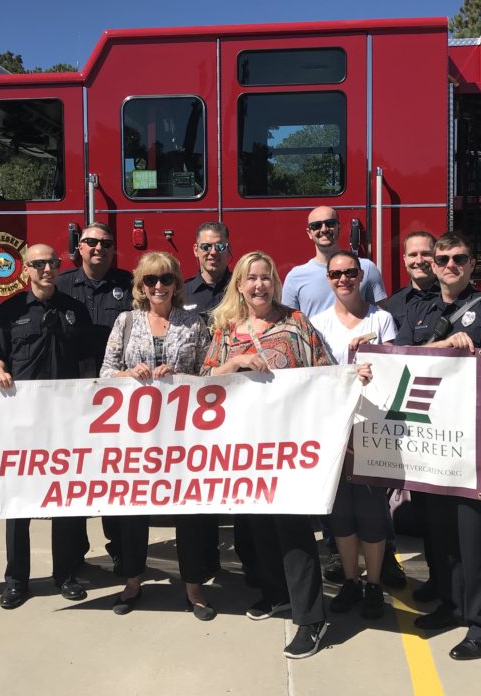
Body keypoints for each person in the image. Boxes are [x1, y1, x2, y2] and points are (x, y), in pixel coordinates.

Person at [202, 250, 368, 659]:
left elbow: (326, 370)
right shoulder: (225, 330)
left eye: (266, 278)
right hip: (244, 447)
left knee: (293, 532)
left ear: (274, 283)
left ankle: (312, 619)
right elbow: (205, 378)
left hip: (290, 446)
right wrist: (238, 360)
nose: (259, 285)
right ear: (239, 285)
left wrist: (353, 375)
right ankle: (277, 594)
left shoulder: (296, 323)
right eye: (251, 278)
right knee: (258, 527)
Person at [395, 231, 481, 661]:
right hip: (430, 445)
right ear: (431, 266)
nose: (449, 265)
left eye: (459, 258)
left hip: (475, 446)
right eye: (442, 259)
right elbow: (404, 364)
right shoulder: (422, 311)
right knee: (440, 536)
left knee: (476, 539)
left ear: (473, 264)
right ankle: (453, 606)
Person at [100, 251, 216, 620]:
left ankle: (194, 587)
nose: (159, 286)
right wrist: (127, 375)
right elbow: (105, 373)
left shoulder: (194, 323)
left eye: (166, 279)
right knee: (133, 509)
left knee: (189, 510)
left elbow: (208, 375)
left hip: (184, 435)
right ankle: (133, 580)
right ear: (140, 286)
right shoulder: (126, 322)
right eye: (150, 280)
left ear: (177, 284)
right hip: (136, 436)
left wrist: (180, 377)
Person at [0, 244, 90, 610]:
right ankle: (17, 580)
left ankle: (65, 575)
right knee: (19, 504)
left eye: (53, 263)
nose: (48, 269)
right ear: (25, 270)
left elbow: (86, 364)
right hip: (21, 420)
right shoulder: (10, 310)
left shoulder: (74, 310)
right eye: (39, 264)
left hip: (66, 420)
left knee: (63, 500)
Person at [310, 251, 396, 619]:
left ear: (361, 275)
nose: (343, 279)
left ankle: (373, 585)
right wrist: (344, 360)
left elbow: (395, 369)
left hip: (373, 427)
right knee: (341, 514)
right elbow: (313, 377)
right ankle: (349, 580)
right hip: (334, 432)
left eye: (350, 273)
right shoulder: (317, 322)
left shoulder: (383, 319)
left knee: (372, 513)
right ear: (327, 279)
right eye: (335, 274)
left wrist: (375, 354)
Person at [57, 222, 133, 570]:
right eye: (90, 242)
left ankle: (120, 549)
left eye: (105, 243)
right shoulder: (60, 285)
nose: (98, 248)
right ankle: (74, 556)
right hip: (74, 397)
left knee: (117, 477)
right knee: (75, 479)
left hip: (119, 399)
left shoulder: (130, 285)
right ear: (79, 247)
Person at [181, 220, 252, 583]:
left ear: (229, 250)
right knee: (201, 486)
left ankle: (250, 562)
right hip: (197, 404)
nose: (212, 253)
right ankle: (206, 563)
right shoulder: (183, 292)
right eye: (206, 247)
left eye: (219, 247)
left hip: (239, 402)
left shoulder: (242, 289)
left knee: (241, 484)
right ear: (195, 250)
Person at [380, 230, 439, 601]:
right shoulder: (389, 307)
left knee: (435, 505)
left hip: (437, 423)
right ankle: (387, 561)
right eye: (412, 255)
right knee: (385, 498)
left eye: (426, 254)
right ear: (403, 260)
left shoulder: (454, 302)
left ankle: (440, 576)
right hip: (396, 420)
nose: (418, 260)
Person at [281, 205, 387, 318]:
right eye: (316, 225)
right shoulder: (295, 277)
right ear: (309, 233)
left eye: (330, 223)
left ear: (339, 227)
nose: (324, 229)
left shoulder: (367, 268)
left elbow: (380, 315)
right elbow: (289, 324)